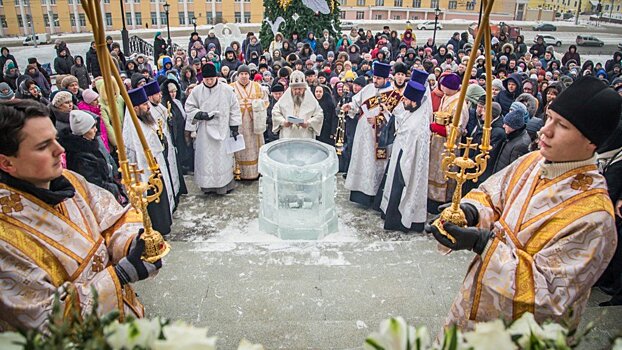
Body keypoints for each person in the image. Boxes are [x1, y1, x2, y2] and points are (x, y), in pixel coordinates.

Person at [427, 76, 622, 331]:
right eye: (549, 117)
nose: (545, 130)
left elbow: (550, 295)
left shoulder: (594, 217)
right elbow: (492, 194)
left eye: (561, 125)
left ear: (591, 142)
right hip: (474, 307)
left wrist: (483, 244)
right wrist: (470, 211)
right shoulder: (533, 161)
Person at [0, 99, 161, 331]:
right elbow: (44, 321)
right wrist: (119, 276)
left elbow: (112, 218)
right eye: (43, 146)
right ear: (7, 163)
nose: (60, 149)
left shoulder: (70, 180)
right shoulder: (6, 234)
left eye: (55, 138)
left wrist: (131, 245)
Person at [342, 62, 402, 207]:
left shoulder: (394, 95)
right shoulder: (368, 88)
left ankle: (374, 198)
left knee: (376, 166)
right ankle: (359, 195)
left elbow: (397, 117)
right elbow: (357, 103)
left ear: (387, 79)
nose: (375, 81)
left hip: (379, 138)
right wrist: (349, 106)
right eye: (374, 77)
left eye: (379, 79)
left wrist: (379, 119)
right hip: (363, 134)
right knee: (361, 161)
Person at [378, 79, 429, 232]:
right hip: (400, 156)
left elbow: (411, 142)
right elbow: (401, 119)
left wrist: (403, 163)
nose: (403, 101)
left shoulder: (418, 124)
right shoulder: (411, 111)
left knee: (400, 191)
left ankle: (400, 222)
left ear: (414, 102)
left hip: (407, 162)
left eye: (406, 99)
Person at [122, 86, 173, 236]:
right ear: (135, 108)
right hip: (145, 172)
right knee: (154, 203)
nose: (148, 107)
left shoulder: (146, 119)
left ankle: (164, 226)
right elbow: (139, 148)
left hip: (156, 167)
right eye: (144, 104)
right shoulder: (133, 127)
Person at [185, 63, 242, 195]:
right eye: (206, 79)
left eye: (211, 79)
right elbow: (189, 107)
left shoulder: (227, 90)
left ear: (216, 77)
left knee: (222, 159)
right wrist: (201, 114)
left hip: (223, 130)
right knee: (206, 160)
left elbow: (235, 108)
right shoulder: (197, 91)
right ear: (202, 79)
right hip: (204, 132)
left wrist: (234, 127)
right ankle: (207, 187)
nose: (209, 81)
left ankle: (224, 186)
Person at [142, 80, 185, 208]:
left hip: (169, 145)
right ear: (150, 96)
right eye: (157, 94)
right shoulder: (149, 112)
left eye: (160, 93)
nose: (160, 96)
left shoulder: (161, 107)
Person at [428, 73, 468, 207]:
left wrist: (438, 128)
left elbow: (458, 128)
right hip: (437, 143)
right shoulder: (446, 96)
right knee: (434, 169)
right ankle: (430, 197)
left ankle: (440, 200)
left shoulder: (459, 103)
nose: (441, 88)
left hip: (448, 145)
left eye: (443, 86)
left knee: (443, 171)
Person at [229, 65, 269, 180]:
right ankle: (239, 172)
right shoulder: (231, 88)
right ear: (237, 75)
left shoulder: (257, 87)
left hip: (254, 123)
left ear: (249, 75)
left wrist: (257, 105)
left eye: (246, 74)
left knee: (254, 147)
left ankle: (256, 172)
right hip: (239, 125)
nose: (244, 76)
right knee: (239, 148)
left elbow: (265, 102)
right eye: (241, 74)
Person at [272, 70, 324, 139]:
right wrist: (284, 122)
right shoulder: (284, 98)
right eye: (295, 89)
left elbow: (319, 115)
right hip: (288, 136)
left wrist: (308, 123)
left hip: (305, 136)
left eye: (300, 89)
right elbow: (275, 112)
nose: (297, 91)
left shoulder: (311, 99)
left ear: (304, 89)